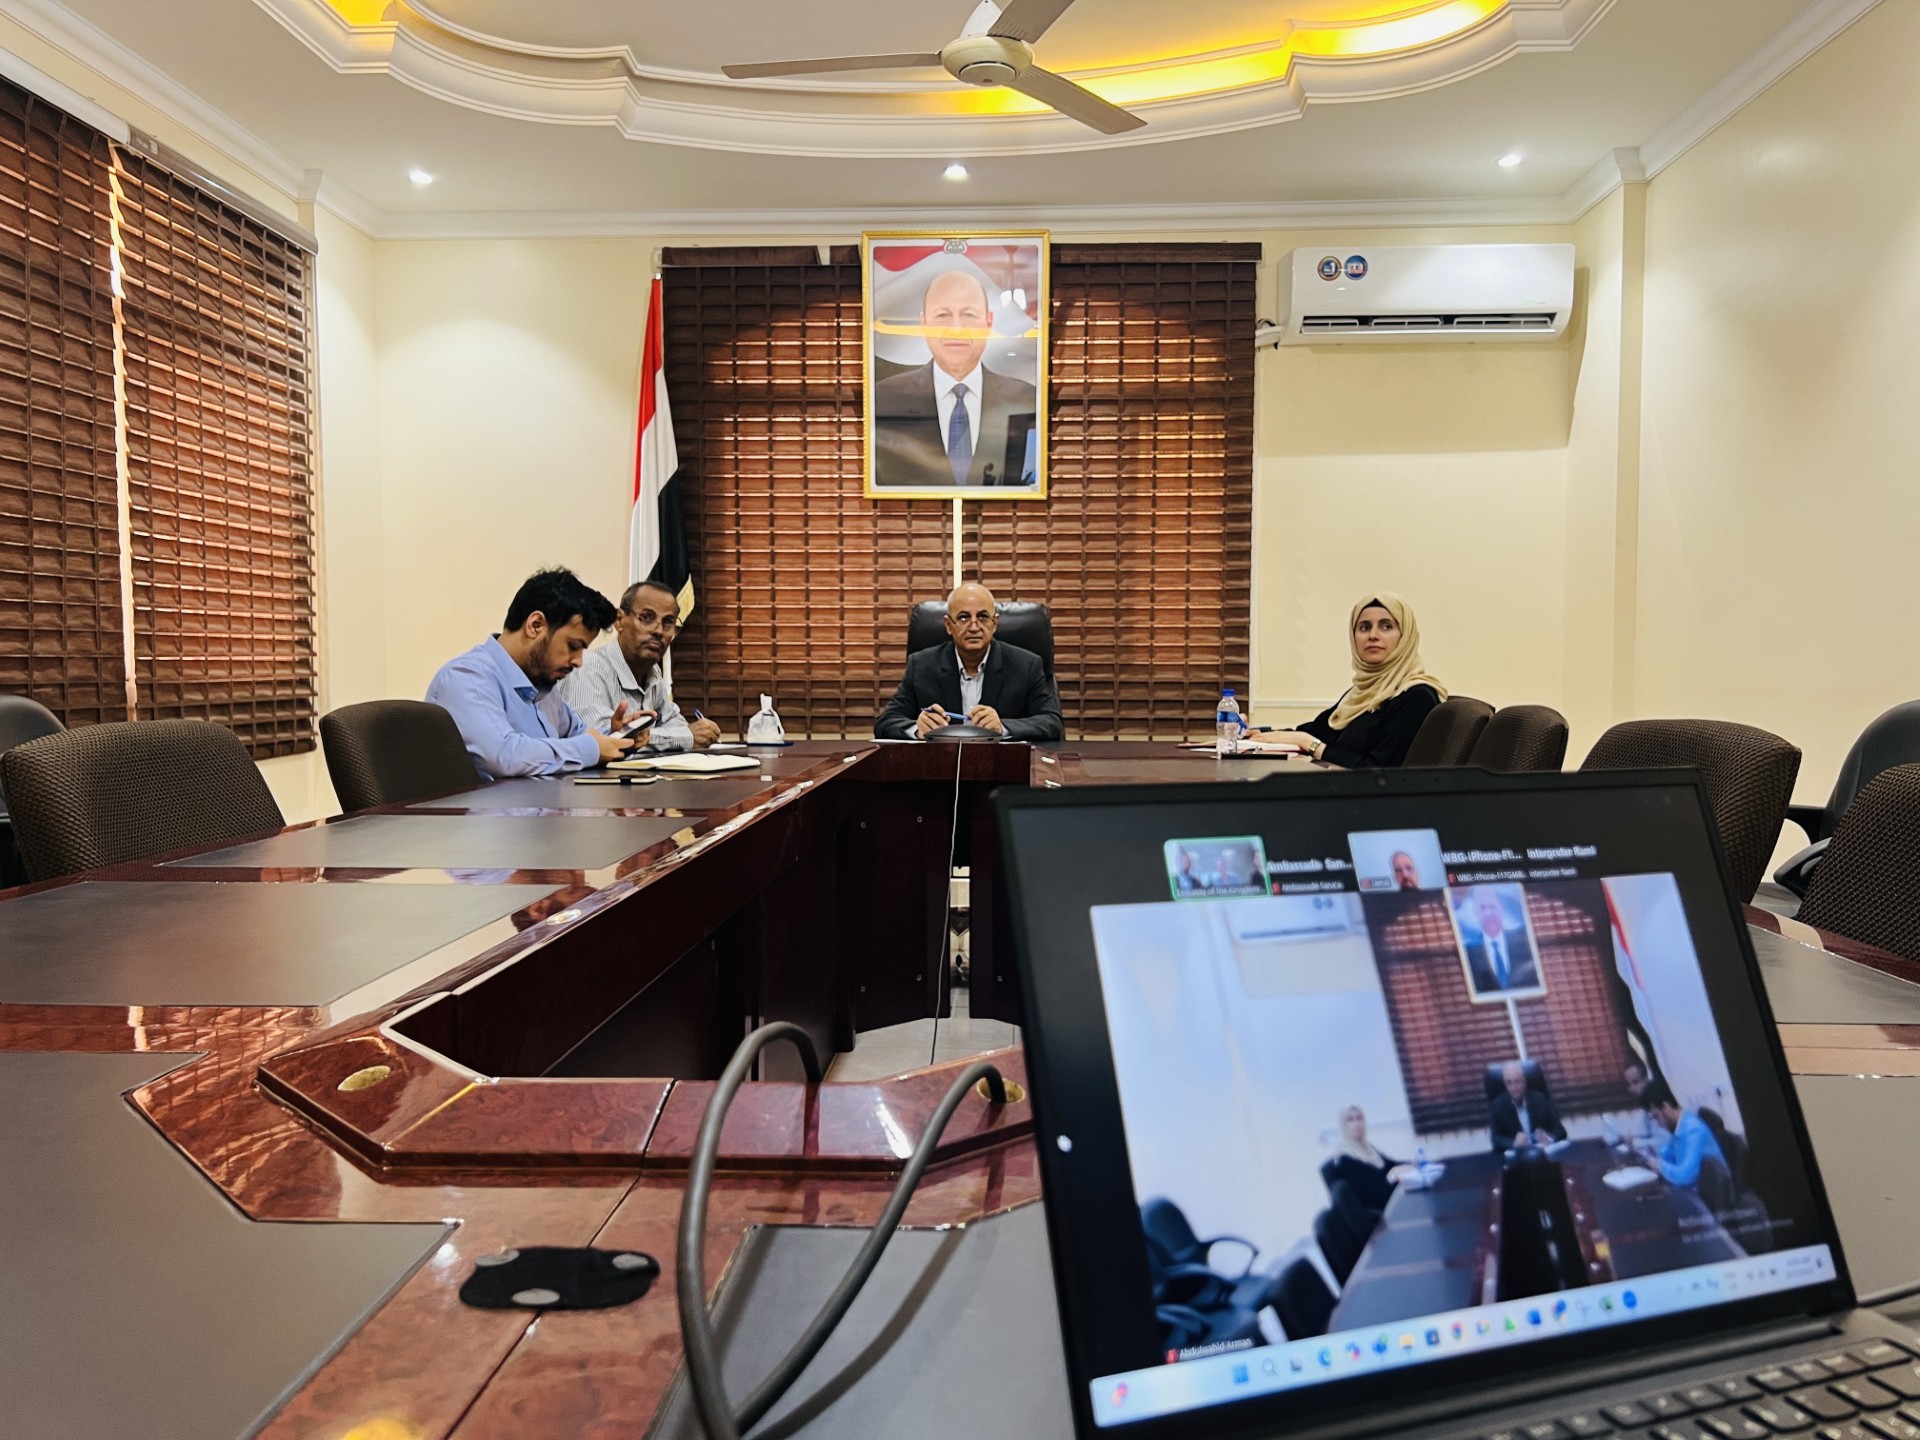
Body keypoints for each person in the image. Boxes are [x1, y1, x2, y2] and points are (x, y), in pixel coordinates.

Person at [426, 568, 638, 781]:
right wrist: (592, 748)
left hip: (544, 800)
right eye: (573, 646)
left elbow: (578, 735)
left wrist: (617, 737)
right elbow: (504, 756)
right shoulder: (467, 677)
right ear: (535, 625)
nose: (578, 661)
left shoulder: (543, 684)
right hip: (492, 803)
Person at [873, 270, 1039, 489]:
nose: (956, 329)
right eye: (943, 315)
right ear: (924, 323)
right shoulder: (883, 400)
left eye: (968, 315)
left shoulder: (1028, 401)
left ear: (988, 322)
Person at [1265, 594, 1445, 767]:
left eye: (1386, 626)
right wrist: (1259, 735)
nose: (1373, 635)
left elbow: (1378, 772)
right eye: (1364, 627)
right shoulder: (1362, 692)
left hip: (1362, 789)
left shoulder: (1417, 697)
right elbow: (1318, 731)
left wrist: (1311, 745)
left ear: (1405, 637)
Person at [875, 581, 1063, 740]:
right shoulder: (922, 665)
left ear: (994, 623)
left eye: (983, 617)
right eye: (964, 617)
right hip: (941, 765)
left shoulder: (1026, 665)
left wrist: (1002, 727)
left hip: (1001, 765)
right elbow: (886, 721)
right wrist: (918, 729)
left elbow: (1052, 723)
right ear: (949, 625)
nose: (974, 627)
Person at [558, 579, 722, 751]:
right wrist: (685, 736)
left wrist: (691, 733)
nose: (658, 631)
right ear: (619, 620)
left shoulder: (652, 671)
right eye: (647, 618)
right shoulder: (589, 667)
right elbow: (602, 740)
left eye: (668, 622)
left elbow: (674, 722)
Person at [1325, 1104, 1417, 1211]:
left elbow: (1389, 1165)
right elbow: (1372, 1195)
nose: (1357, 1124)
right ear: (1343, 1126)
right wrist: (1397, 1179)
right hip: (1381, 1211)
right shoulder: (1345, 1160)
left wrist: (1411, 1164)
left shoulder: (1368, 1148)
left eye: (1359, 1118)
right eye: (1350, 1120)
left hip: (1390, 1200)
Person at [1638, 1079, 1728, 1189]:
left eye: (1656, 1116)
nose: (1658, 1123)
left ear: (1666, 1107)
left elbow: (1684, 1177)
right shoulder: (1681, 1124)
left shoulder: (1693, 1131)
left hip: (1703, 1194)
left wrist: (1659, 1166)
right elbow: (1669, 1154)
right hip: (1692, 1189)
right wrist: (1655, 1158)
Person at [1461, 886, 1540, 994]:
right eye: (1482, 908)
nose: (1488, 913)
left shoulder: (1524, 943)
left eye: (1492, 906)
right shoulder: (1469, 953)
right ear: (1476, 913)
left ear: (1501, 909)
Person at [1489, 1060, 1566, 1152]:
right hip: (1518, 1157)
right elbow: (1496, 1140)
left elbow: (1561, 1131)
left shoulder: (1540, 1100)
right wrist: (1513, 1143)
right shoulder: (1498, 1106)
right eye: (1509, 1083)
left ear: (1524, 1082)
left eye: (1517, 1081)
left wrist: (1548, 1138)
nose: (1514, 1087)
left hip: (1542, 1153)